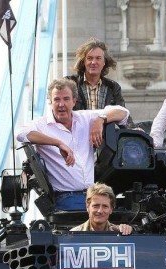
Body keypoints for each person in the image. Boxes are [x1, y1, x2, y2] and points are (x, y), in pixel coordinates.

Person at [16, 79, 130, 211]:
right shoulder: (41, 125)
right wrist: (58, 143)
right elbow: (20, 133)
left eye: (66, 99)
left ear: (74, 101)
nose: (61, 104)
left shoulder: (85, 118)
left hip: (92, 196)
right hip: (66, 199)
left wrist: (100, 120)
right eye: (57, 100)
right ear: (50, 102)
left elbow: (123, 112)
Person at [66, 37, 128, 113]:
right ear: (83, 62)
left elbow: (123, 114)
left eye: (98, 58)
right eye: (89, 58)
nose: (93, 62)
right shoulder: (70, 84)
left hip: (104, 125)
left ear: (104, 62)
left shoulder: (113, 87)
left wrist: (133, 125)